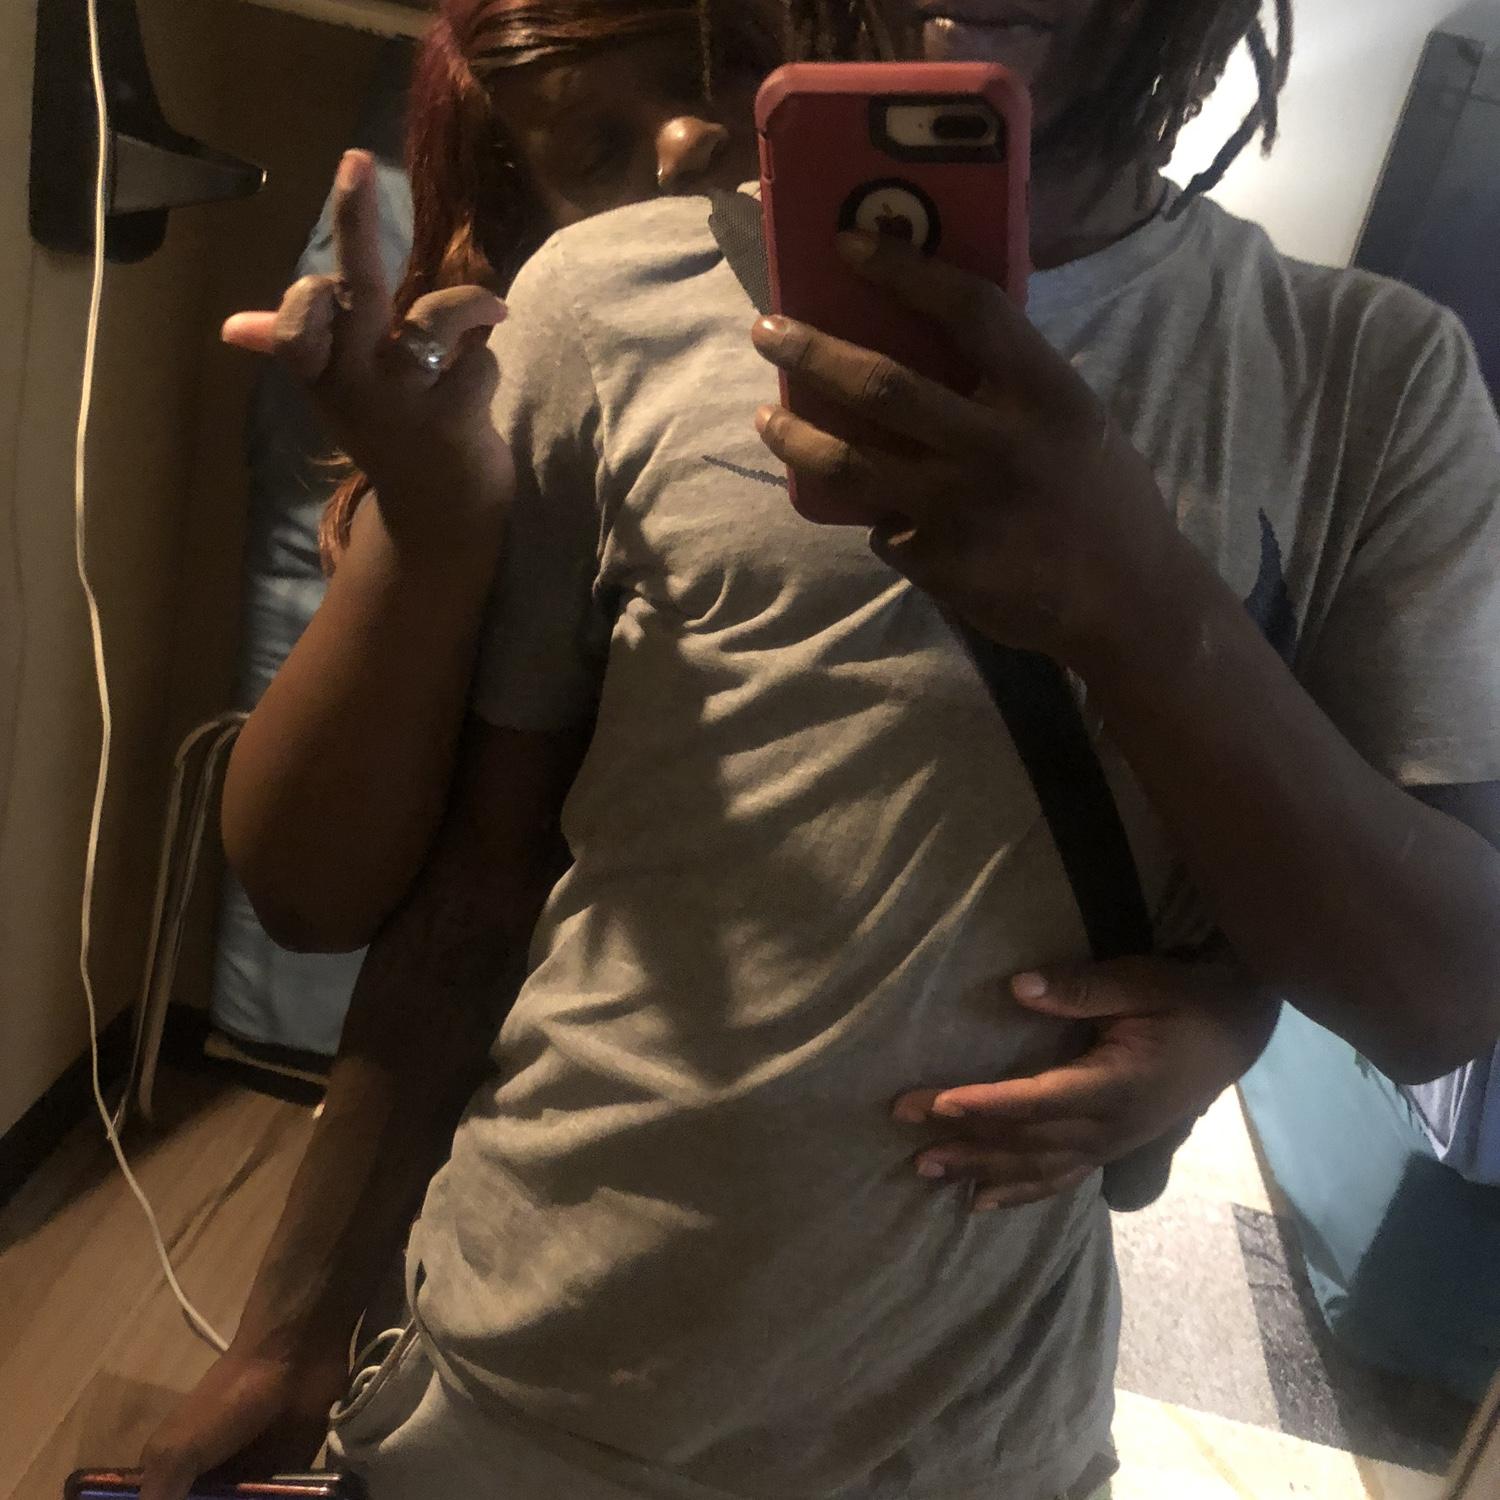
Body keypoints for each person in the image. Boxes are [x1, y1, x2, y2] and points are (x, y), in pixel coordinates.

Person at [142, 0, 1500, 1496]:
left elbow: (1444, 998)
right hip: (514, 1379)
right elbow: (468, 889)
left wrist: (1144, 611)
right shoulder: (606, 296)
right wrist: (291, 1333)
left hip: (969, 1439)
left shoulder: (1368, 379)